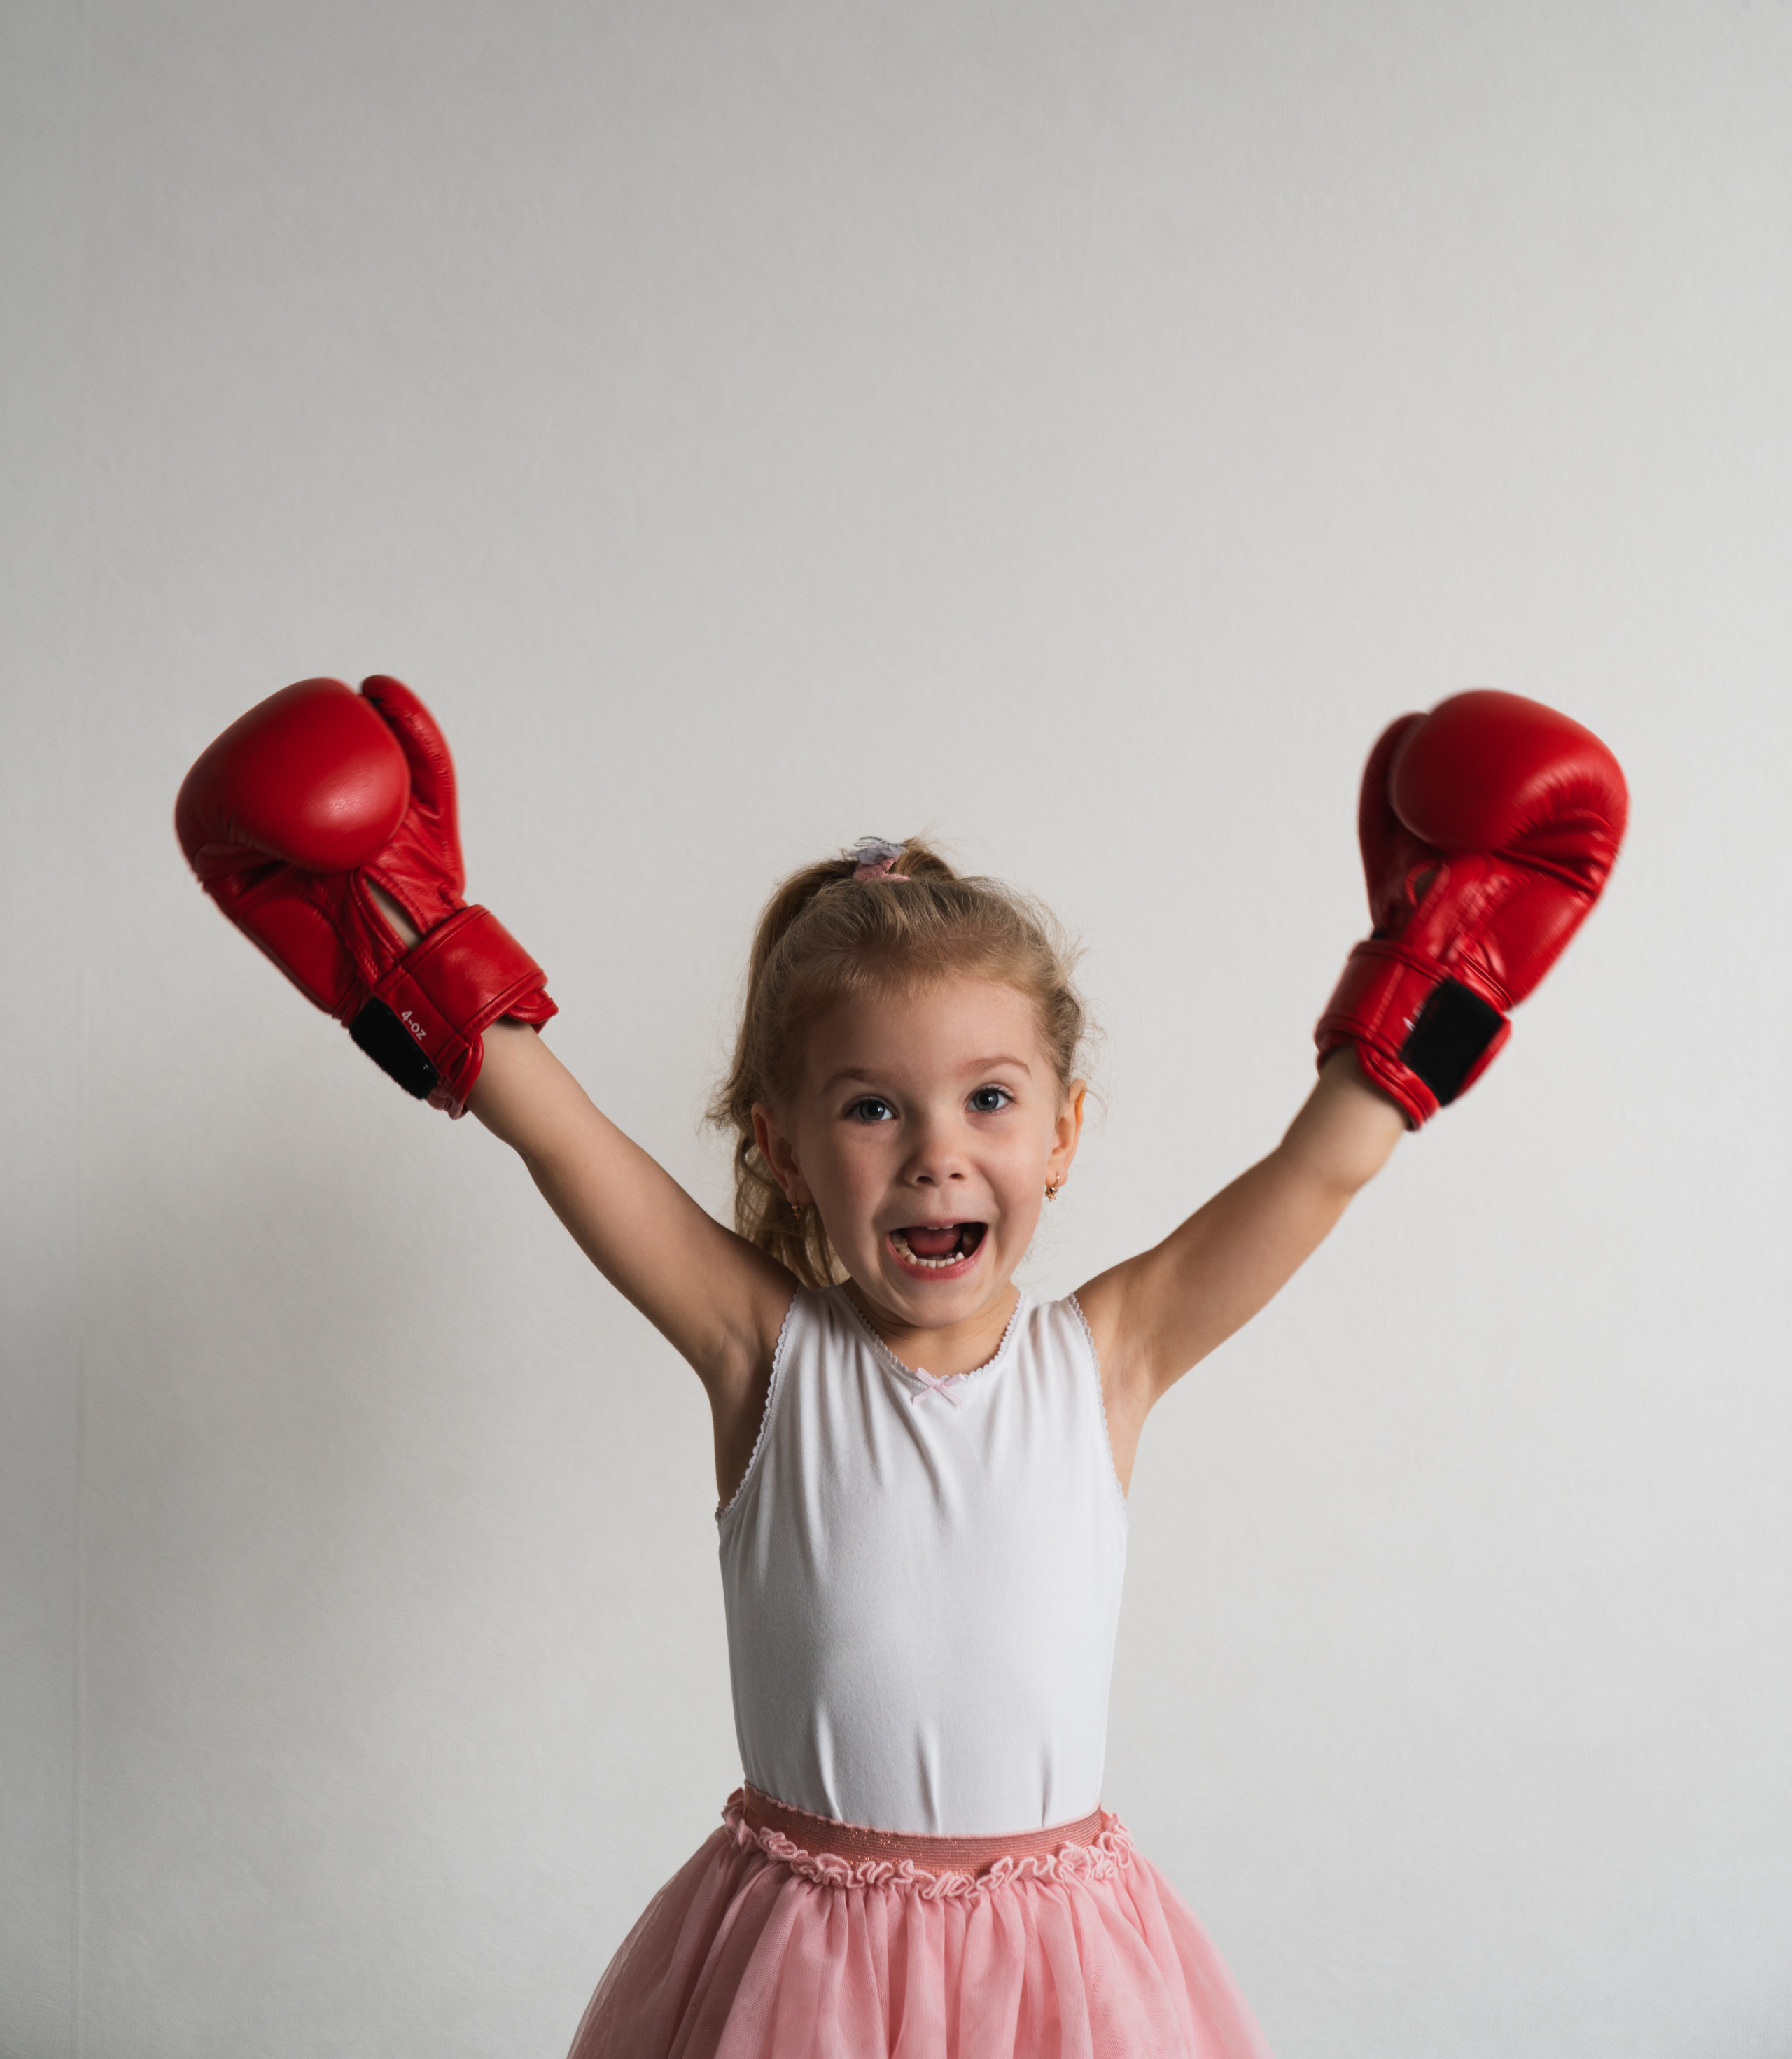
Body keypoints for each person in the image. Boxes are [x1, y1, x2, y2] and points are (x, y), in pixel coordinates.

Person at [175, 676, 1628, 2058]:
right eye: (871, 1105)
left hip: (1062, 1977)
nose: (938, 1148)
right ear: (781, 1145)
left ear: (1060, 1134)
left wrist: (1443, 959)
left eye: (989, 1097)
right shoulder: (763, 1352)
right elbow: (559, 1135)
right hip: (801, 1973)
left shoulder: (1106, 1356)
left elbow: (1316, 1175)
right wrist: (407, 935)